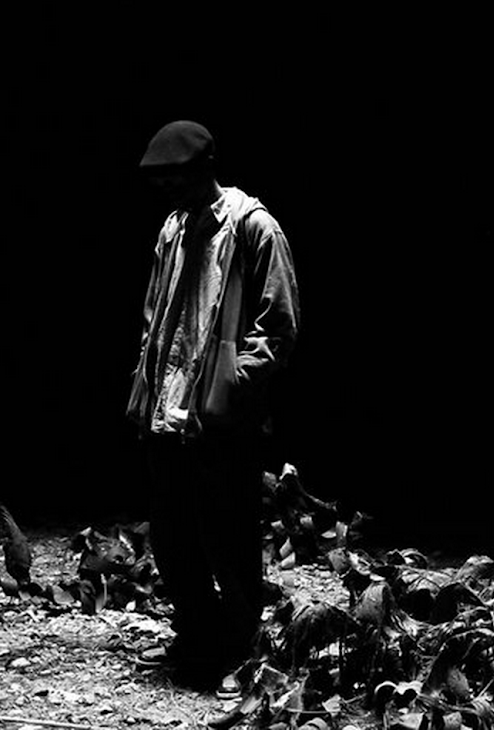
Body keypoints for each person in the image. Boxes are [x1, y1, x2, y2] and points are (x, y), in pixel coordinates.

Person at [126, 120, 300, 696]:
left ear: (204, 169)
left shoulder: (254, 228)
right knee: (174, 537)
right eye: (162, 182)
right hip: (168, 412)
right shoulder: (173, 229)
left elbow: (277, 328)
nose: (168, 191)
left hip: (223, 420)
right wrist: (151, 384)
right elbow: (156, 314)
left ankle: (245, 652)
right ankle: (197, 637)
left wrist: (228, 386)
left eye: (176, 179)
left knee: (230, 539)